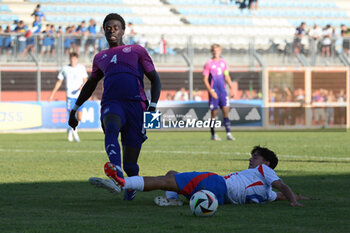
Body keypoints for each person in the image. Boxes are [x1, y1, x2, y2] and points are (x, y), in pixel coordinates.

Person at [68, 13, 161, 201]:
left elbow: (155, 79)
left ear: (123, 31)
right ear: (104, 31)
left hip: (137, 105)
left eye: (116, 28)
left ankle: (129, 184)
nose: (112, 31)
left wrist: (153, 106)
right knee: (111, 126)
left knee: (131, 164)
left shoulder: (137, 50)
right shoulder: (100, 57)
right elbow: (91, 84)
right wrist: (75, 108)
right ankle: (115, 170)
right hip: (111, 102)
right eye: (108, 28)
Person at [99, 146, 307, 207]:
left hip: (214, 183)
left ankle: (124, 182)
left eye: (255, 157)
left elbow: (283, 186)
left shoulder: (266, 172)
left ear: (267, 163)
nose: (251, 160)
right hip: (215, 197)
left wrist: (293, 200)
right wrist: (296, 199)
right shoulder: (266, 193)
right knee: (172, 174)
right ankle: (173, 201)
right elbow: (280, 194)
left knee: (166, 180)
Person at [49, 52, 88, 142]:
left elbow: (85, 80)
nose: (72, 60)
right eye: (71, 59)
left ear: (77, 59)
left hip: (80, 96)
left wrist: (83, 86)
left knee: (80, 118)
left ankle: (70, 130)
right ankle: (75, 134)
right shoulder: (65, 69)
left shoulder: (81, 68)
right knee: (72, 116)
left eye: (74, 59)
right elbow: (59, 81)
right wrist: (52, 94)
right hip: (70, 96)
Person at [203, 43, 235, 141]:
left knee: (226, 111)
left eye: (217, 50)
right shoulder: (209, 63)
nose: (215, 52)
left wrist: (231, 87)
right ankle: (213, 134)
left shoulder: (223, 63)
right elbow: (205, 79)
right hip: (214, 91)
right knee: (214, 113)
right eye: (214, 50)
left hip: (222, 91)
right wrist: (210, 91)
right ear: (212, 51)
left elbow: (226, 76)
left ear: (220, 51)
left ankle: (228, 134)